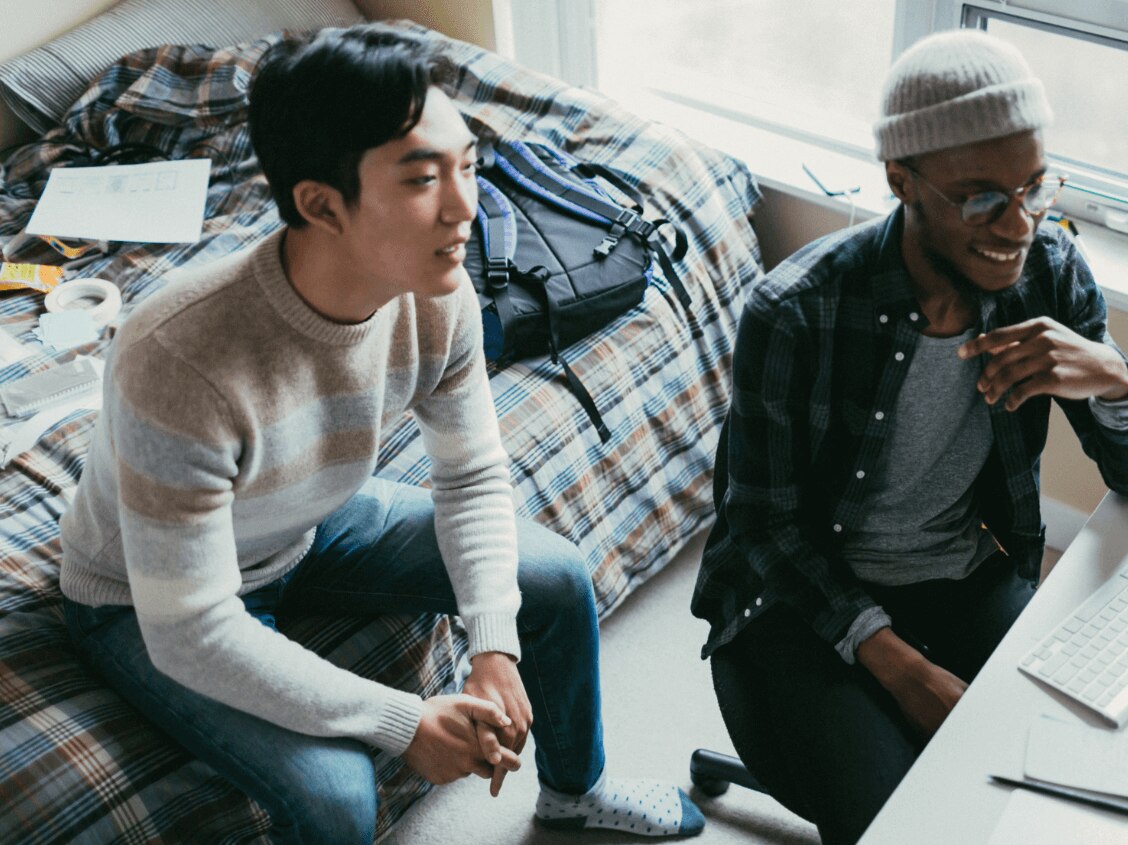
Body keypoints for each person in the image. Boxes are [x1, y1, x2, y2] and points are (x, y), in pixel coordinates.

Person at [57, 24, 703, 843]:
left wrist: (493, 645)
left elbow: (470, 477)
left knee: (553, 575)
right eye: (424, 179)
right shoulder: (177, 356)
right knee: (337, 795)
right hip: (141, 601)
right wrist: (402, 720)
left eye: (466, 165)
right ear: (320, 203)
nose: (465, 206)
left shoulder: (439, 296)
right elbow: (190, 628)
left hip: (305, 524)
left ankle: (576, 788)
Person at [691, 29, 1128, 845]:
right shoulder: (797, 310)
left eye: (1035, 187)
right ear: (900, 178)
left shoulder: (1053, 276)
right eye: (983, 196)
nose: (1019, 223)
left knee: (1081, 787)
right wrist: (896, 662)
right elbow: (761, 529)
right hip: (802, 603)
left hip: (962, 576)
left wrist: (1115, 376)